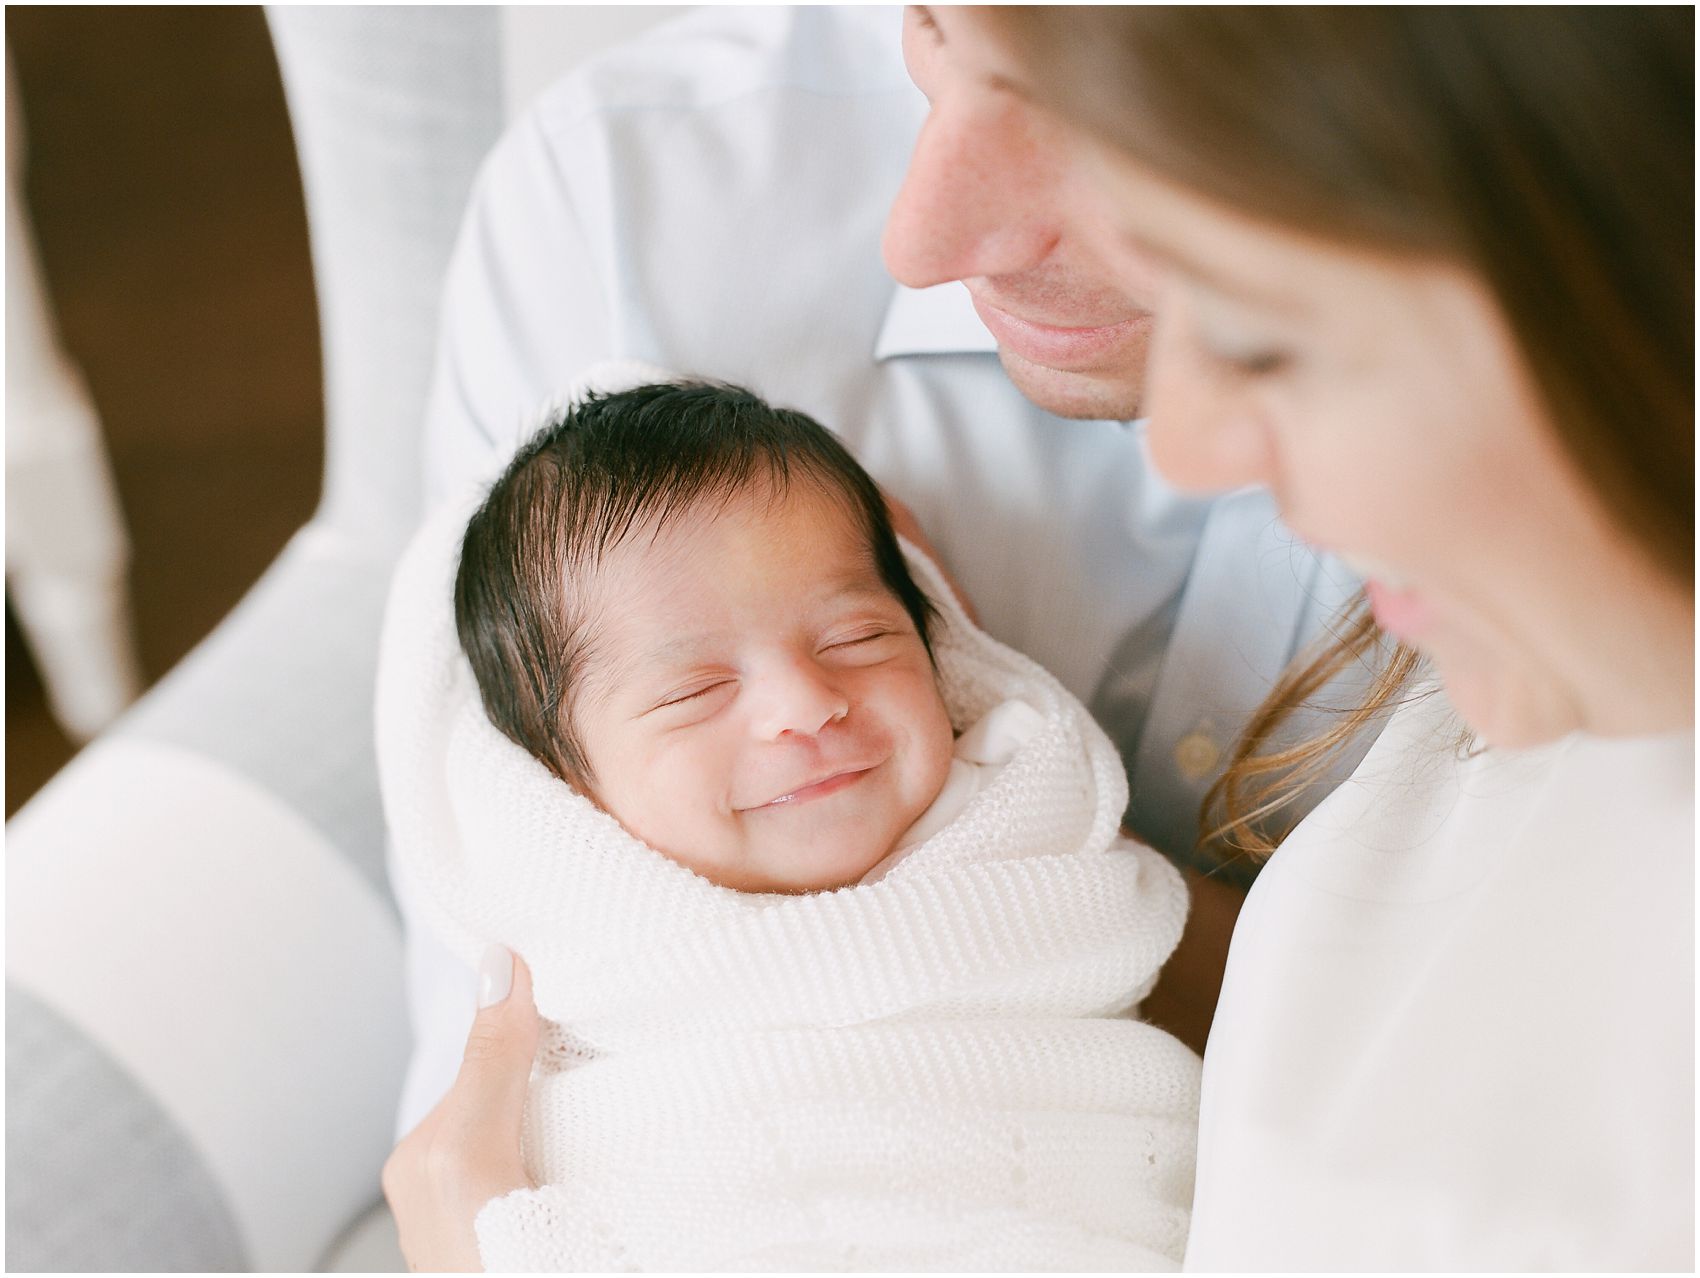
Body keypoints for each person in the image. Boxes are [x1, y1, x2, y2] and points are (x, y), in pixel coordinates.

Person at [387, 5, 1382, 1154]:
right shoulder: (624, 195)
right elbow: (484, 1088)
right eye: (928, 27)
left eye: (1109, 122)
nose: (917, 241)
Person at [377, 374, 1199, 1268]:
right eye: (696, 691)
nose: (805, 706)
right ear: (561, 785)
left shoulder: (1041, 847)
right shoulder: (592, 972)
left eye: (859, 639)